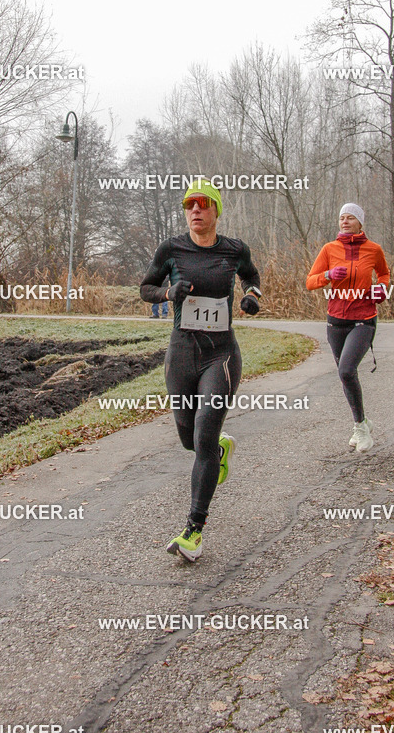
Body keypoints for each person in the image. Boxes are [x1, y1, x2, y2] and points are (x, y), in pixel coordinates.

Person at [140, 178, 261, 561]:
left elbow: (252, 278)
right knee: (190, 441)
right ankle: (218, 447)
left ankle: (194, 529)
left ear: (215, 210)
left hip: (220, 356)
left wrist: (251, 296)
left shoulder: (234, 250)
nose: (195, 210)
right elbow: (146, 287)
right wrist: (166, 294)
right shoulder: (171, 248)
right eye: (189, 204)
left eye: (203, 204)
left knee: (205, 432)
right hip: (181, 354)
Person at [306, 203, 390, 453]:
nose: (344, 221)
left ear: (360, 222)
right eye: (341, 217)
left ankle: (360, 429)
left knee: (346, 369)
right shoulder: (329, 249)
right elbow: (310, 282)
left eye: (350, 217)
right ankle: (363, 422)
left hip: (363, 318)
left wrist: (381, 289)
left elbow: (384, 274)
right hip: (336, 321)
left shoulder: (373, 249)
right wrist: (329, 275)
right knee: (346, 375)